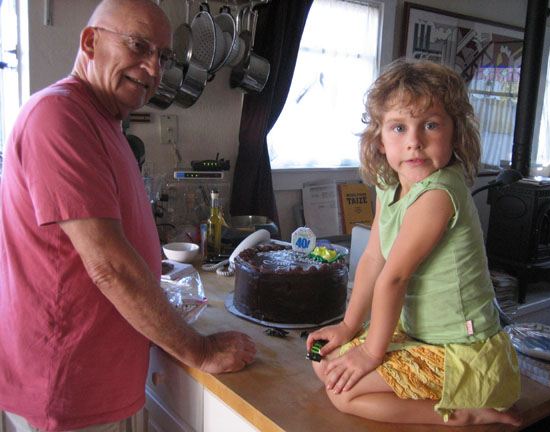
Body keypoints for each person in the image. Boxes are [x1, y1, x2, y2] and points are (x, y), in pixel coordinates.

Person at [0, 1, 256, 431]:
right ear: (90, 42)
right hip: (66, 389)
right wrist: (199, 350)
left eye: (164, 57)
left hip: (99, 382)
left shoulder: (104, 122)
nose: (154, 68)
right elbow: (110, 267)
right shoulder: (58, 116)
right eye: (138, 46)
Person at [307, 59, 522, 426]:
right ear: (379, 138)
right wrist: (347, 327)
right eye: (399, 127)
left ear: (456, 133)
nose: (414, 142)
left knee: (341, 394)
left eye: (431, 125)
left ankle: (463, 414)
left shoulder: (439, 193)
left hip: (460, 350)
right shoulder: (388, 184)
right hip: (418, 334)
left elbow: (394, 278)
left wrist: (371, 354)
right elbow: (373, 259)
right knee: (321, 361)